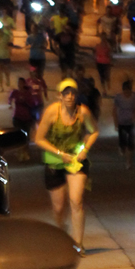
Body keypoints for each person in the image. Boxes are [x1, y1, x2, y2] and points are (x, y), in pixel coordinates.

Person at [35, 78, 99, 255]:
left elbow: (94, 131)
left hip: (75, 161)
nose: (70, 97)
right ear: (59, 96)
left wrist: (85, 149)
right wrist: (58, 153)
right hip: (54, 161)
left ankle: (78, 243)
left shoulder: (82, 112)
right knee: (58, 207)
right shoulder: (51, 113)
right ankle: (61, 231)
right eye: (66, 93)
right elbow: (38, 139)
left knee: (76, 201)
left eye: (72, 93)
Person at [113, 79, 135, 169]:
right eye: (125, 91)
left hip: (132, 123)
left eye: (128, 91)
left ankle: (128, 162)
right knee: (122, 142)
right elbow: (114, 110)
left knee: (130, 142)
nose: (127, 93)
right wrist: (115, 122)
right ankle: (121, 147)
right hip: (121, 122)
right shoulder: (118, 98)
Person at [8, 77, 34, 161]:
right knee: (19, 136)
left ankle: (26, 152)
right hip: (17, 117)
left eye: (21, 83)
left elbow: (32, 104)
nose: (19, 84)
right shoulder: (15, 92)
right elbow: (10, 99)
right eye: (18, 83)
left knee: (26, 136)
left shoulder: (28, 93)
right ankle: (20, 153)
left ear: (24, 84)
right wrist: (10, 104)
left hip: (27, 118)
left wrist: (25, 101)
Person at [0, 27, 14, 92]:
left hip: (6, 56)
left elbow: (10, 45)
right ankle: (1, 86)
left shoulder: (7, 37)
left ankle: (7, 79)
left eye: (0, 30)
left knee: (6, 70)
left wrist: (10, 51)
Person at [95, 32, 111, 97]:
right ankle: (104, 90)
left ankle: (107, 86)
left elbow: (110, 54)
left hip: (106, 62)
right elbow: (96, 54)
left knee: (106, 76)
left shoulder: (108, 45)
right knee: (102, 77)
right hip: (100, 62)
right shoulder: (98, 45)